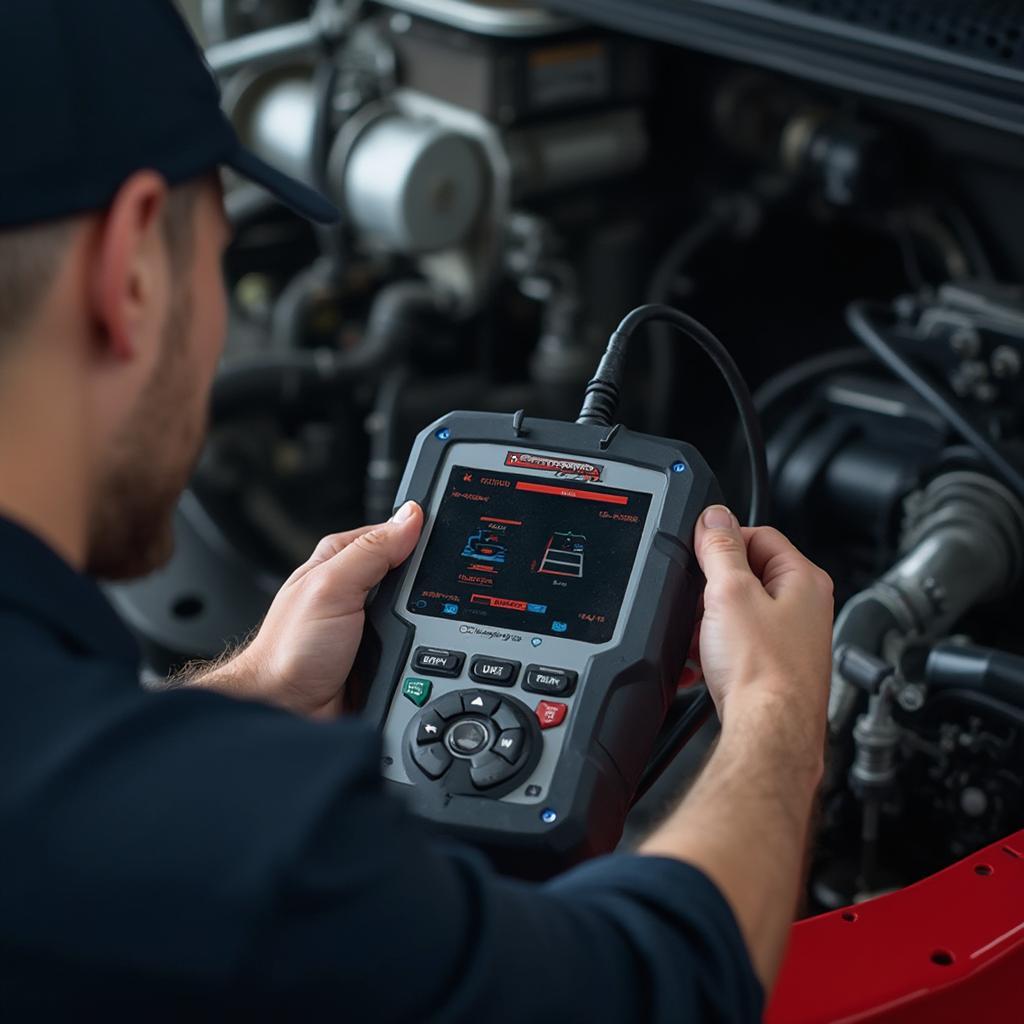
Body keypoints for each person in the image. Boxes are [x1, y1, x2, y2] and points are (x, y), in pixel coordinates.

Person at [0, 1, 834, 1019]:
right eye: (216, 257)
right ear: (130, 269)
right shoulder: (266, 863)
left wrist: (256, 688)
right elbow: (647, 988)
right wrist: (777, 710)